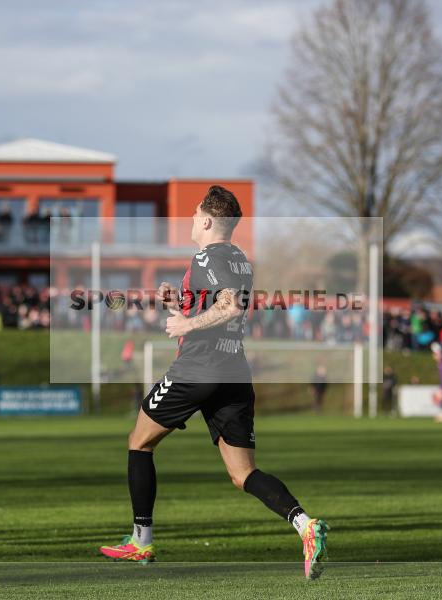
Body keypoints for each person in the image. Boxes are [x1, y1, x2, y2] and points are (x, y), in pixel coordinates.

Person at [99, 185, 329, 579]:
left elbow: (230, 305)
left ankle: (141, 541)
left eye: (194, 213)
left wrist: (187, 324)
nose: (190, 219)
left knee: (139, 442)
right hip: (233, 371)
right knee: (243, 474)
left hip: (198, 369)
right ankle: (305, 525)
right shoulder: (240, 259)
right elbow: (221, 303)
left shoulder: (206, 257)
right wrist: (179, 303)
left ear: (207, 221)